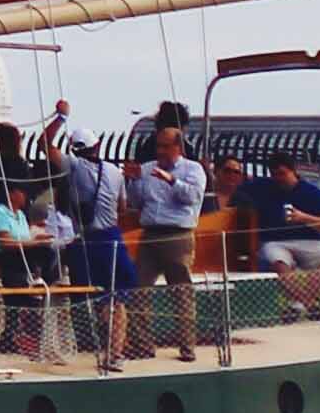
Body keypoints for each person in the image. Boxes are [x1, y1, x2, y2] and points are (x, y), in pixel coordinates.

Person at [51, 123, 131, 366]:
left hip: (84, 241)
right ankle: (115, 352)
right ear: (98, 145)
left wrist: (59, 117)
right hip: (111, 237)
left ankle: (102, 346)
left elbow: (46, 145)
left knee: (94, 298)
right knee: (117, 298)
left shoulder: (73, 167)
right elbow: (123, 208)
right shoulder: (115, 172)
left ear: (75, 149)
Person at [130, 123, 210, 360]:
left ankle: (187, 348)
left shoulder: (192, 169)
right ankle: (143, 346)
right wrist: (133, 181)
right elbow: (137, 201)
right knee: (138, 289)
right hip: (150, 234)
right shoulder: (146, 169)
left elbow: (193, 197)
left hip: (177, 235)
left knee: (181, 292)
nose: (161, 151)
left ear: (178, 147)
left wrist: (171, 180)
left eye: (166, 147)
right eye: (159, 147)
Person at [244, 154, 320, 310]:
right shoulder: (263, 188)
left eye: (282, 173)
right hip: (275, 241)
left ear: (294, 171)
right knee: (278, 262)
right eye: (274, 174)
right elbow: (235, 187)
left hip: (309, 240)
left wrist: (303, 217)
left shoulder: (312, 193)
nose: (278, 178)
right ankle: (309, 303)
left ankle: (301, 303)